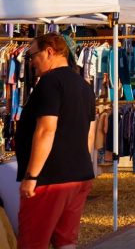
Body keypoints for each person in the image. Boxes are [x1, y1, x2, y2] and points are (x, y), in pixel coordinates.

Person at [17, 33, 97, 249]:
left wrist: (32, 176)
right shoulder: (84, 85)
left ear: (49, 51)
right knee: (66, 241)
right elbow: (90, 134)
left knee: (32, 241)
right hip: (79, 175)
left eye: (33, 55)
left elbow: (46, 130)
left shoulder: (50, 83)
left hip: (50, 179)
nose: (31, 62)